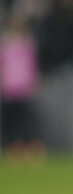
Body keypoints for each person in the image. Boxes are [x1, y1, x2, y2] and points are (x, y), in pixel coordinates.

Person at [0, 15, 45, 165]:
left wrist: (34, 82)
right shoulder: (5, 45)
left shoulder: (27, 45)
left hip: (24, 89)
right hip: (9, 89)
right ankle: (15, 147)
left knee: (27, 121)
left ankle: (33, 147)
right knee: (13, 121)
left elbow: (33, 66)